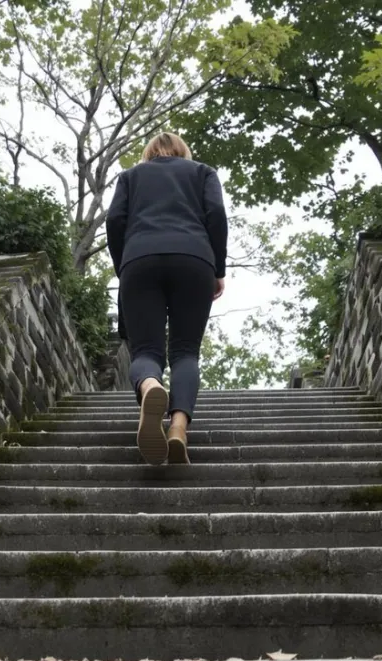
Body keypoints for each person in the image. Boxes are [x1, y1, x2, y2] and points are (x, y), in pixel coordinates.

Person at [106, 132, 228, 466]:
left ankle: (149, 387)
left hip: (139, 259)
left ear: (149, 154)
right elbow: (216, 213)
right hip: (195, 260)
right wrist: (218, 267)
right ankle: (177, 429)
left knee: (146, 351)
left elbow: (115, 220)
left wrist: (125, 264)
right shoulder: (202, 172)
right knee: (186, 352)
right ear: (182, 152)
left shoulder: (130, 177)